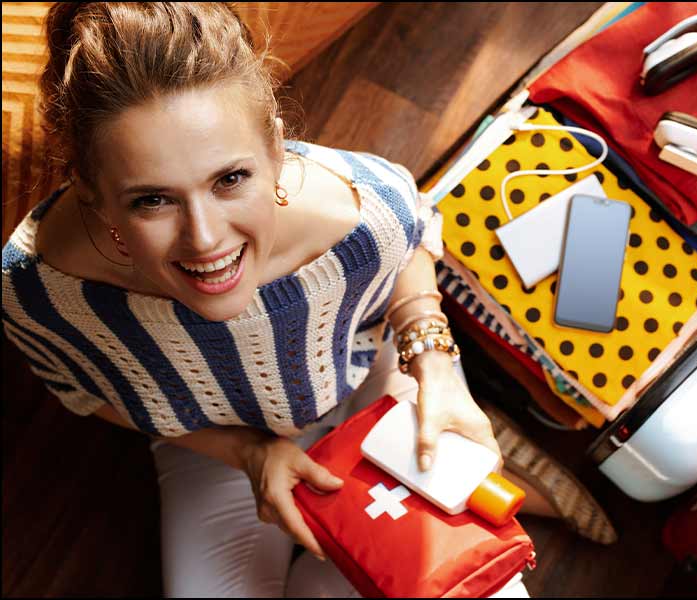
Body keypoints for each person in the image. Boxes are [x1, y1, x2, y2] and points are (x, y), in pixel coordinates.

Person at [1, 3, 616, 597]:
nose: (206, 239)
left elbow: (412, 243)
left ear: (274, 149)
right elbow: (84, 390)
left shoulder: (362, 212)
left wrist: (435, 371)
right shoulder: (38, 291)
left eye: (230, 179)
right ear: (93, 193)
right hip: (214, 442)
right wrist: (249, 453)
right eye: (151, 200)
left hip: (367, 386)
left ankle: (454, 440)